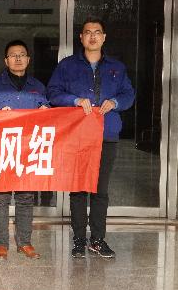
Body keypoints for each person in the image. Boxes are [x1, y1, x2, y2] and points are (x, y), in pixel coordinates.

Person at [47, 17, 135, 259]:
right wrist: (74, 100)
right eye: (88, 32)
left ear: (104, 37)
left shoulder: (117, 67)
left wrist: (115, 102)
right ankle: (79, 239)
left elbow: (129, 94)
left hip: (106, 134)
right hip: (77, 135)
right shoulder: (67, 66)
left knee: (100, 190)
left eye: (97, 32)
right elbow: (53, 93)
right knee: (78, 189)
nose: (93, 36)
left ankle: (97, 239)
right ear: (81, 38)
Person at [0, 39, 48, 260]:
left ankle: (24, 242)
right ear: (6, 61)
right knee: (0, 198)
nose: (18, 58)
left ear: (28, 59)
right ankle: (1, 244)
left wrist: (46, 110)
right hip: (2, 148)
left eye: (22, 55)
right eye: (13, 55)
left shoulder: (38, 86)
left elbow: (47, 113)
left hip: (28, 148)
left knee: (26, 197)